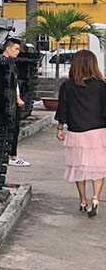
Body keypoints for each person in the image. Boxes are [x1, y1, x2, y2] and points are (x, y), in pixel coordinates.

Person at [55, 49, 106, 217]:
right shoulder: (101, 86)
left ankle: (83, 200)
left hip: (76, 132)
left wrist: (60, 128)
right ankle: (96, 198)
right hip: (98, 132)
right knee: (98, 168)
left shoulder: (67, 86)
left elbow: (62, 108)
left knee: (78, 167)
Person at [3, 37, 31, 167]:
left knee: (15, 129)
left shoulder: (11, 63)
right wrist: (17, 98)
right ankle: (12, 156)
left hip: (13, 101)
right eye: (16, 49)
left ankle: (13, 155)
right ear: (8, 48)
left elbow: (14, 84)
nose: (18, 52)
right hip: (9, 103)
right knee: (12, 129)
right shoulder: (5, 63)